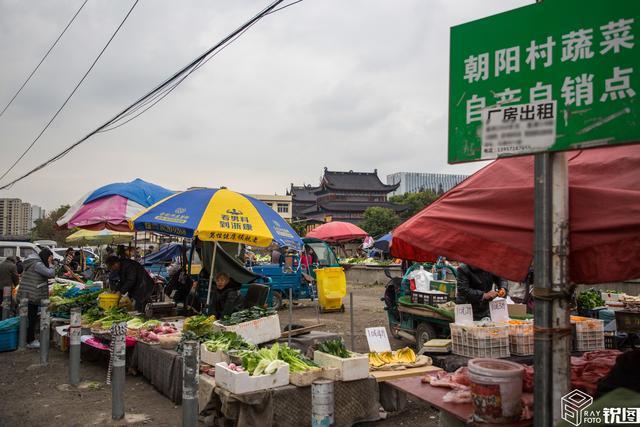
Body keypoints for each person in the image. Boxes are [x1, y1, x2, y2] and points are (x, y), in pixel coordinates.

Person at [19, 248, 55, 349]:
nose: (50, 260)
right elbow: (50, 273)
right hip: (32, 294)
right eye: (49, 258)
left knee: (30, 317)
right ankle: (30, 340)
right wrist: (51, 264)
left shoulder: (33, 262)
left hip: (28, 294)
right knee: (31, 318)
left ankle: (27, 339)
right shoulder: (38, 264)